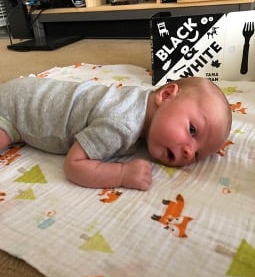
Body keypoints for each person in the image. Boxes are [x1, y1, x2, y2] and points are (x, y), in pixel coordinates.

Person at [0, 76, 232, 191]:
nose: (189, 152)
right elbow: (74, 165)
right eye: (192, 130)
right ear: (166, 94)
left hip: (29, 89)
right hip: (15, 108)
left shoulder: (141, 101)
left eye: (198, 154)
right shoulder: (122, 124)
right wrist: (121, 174)